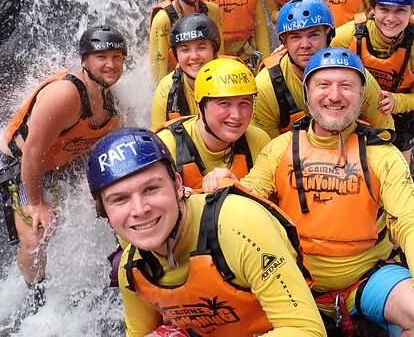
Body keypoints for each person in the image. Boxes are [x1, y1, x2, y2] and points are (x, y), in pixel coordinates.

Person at [204, 48, 414, 336]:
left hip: (366, 278)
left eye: (346, 86)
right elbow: (248, 197)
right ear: (307, 92)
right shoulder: (280, 148)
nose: (334, 96)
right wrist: (224, 183)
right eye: (323, 85)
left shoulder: (383, 155)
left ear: (362, 94)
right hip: (294, 283)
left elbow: (412, 224)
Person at [86, 127, 327, 336]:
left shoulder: (239, 225)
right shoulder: (132, 268)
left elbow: (306, 330)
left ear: (178, 185)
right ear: (105, 214)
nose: (140, 210)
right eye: (119, 199)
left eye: (151, 189)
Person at [0, 25, 127, 308]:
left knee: (115, 201)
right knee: (37, 236)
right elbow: (33, 151)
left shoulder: (112, 101)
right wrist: (36, 203)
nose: (110, 64)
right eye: (101, 57)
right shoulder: (65, 94)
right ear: (85, 61)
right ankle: (36, 299)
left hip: (66, 163)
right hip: (18, 165)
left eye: (116, 56)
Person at [332, 0, 414, 164]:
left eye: (400, 10)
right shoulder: (350, 35)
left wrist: (396, 102)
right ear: (372, 8)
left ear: (412, 10)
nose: (390, 18)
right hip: (356, 110)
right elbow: (316, 52)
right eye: (384, 9)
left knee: (399, 171)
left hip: (399, 116)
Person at [252, 0, 393, 139]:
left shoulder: (357, 78)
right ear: (285, 43)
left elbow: (385, 134)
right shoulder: (265, 87)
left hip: (351, 155)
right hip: (292, 157)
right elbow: (266, 152)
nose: (305, 45)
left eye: (313, 35)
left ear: (328, 35)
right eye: (295, 37)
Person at [155, 58, 270, 193]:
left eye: (244, 103)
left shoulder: (258, 140)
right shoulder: (166, 146)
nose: (236, 115)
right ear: (200, 107)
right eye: (224, 103)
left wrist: (237, 187)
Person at [149, 0, 222, 83]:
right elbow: (158, 71)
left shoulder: (213, 11)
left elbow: (218, 56)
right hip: (177, 86)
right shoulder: (163, 19)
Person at [150, 13, 220, 130]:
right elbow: (157, 141)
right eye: (185, 49)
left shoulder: (234, 77)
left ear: (213, 49)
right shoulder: (166, 89)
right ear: (176, 55)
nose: (194, 56)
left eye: (201, 47)